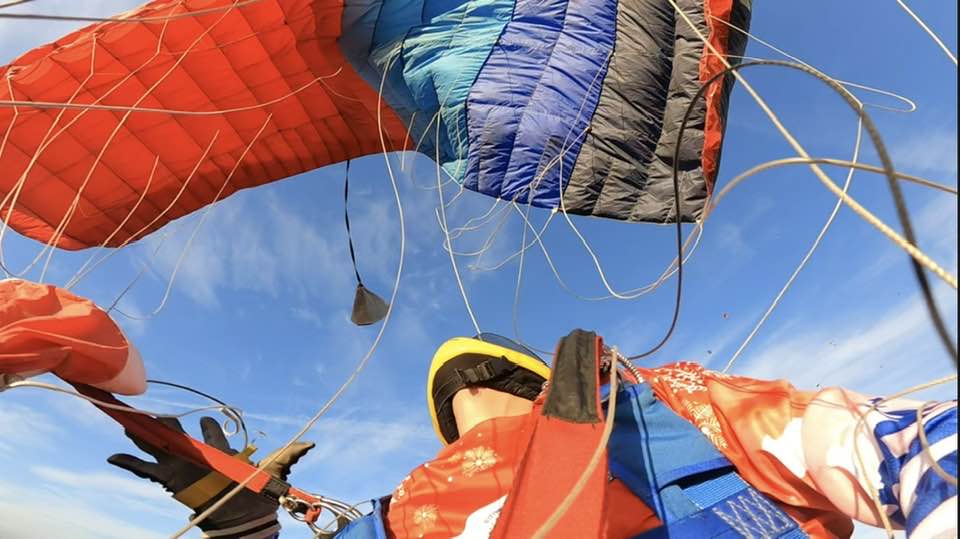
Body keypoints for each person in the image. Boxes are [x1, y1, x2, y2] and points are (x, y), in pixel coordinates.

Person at [111, 333, 958, 538]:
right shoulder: (403, 510)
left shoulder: (660, 407)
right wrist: (249, 523)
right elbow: (862, 440)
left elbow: (858, 440)